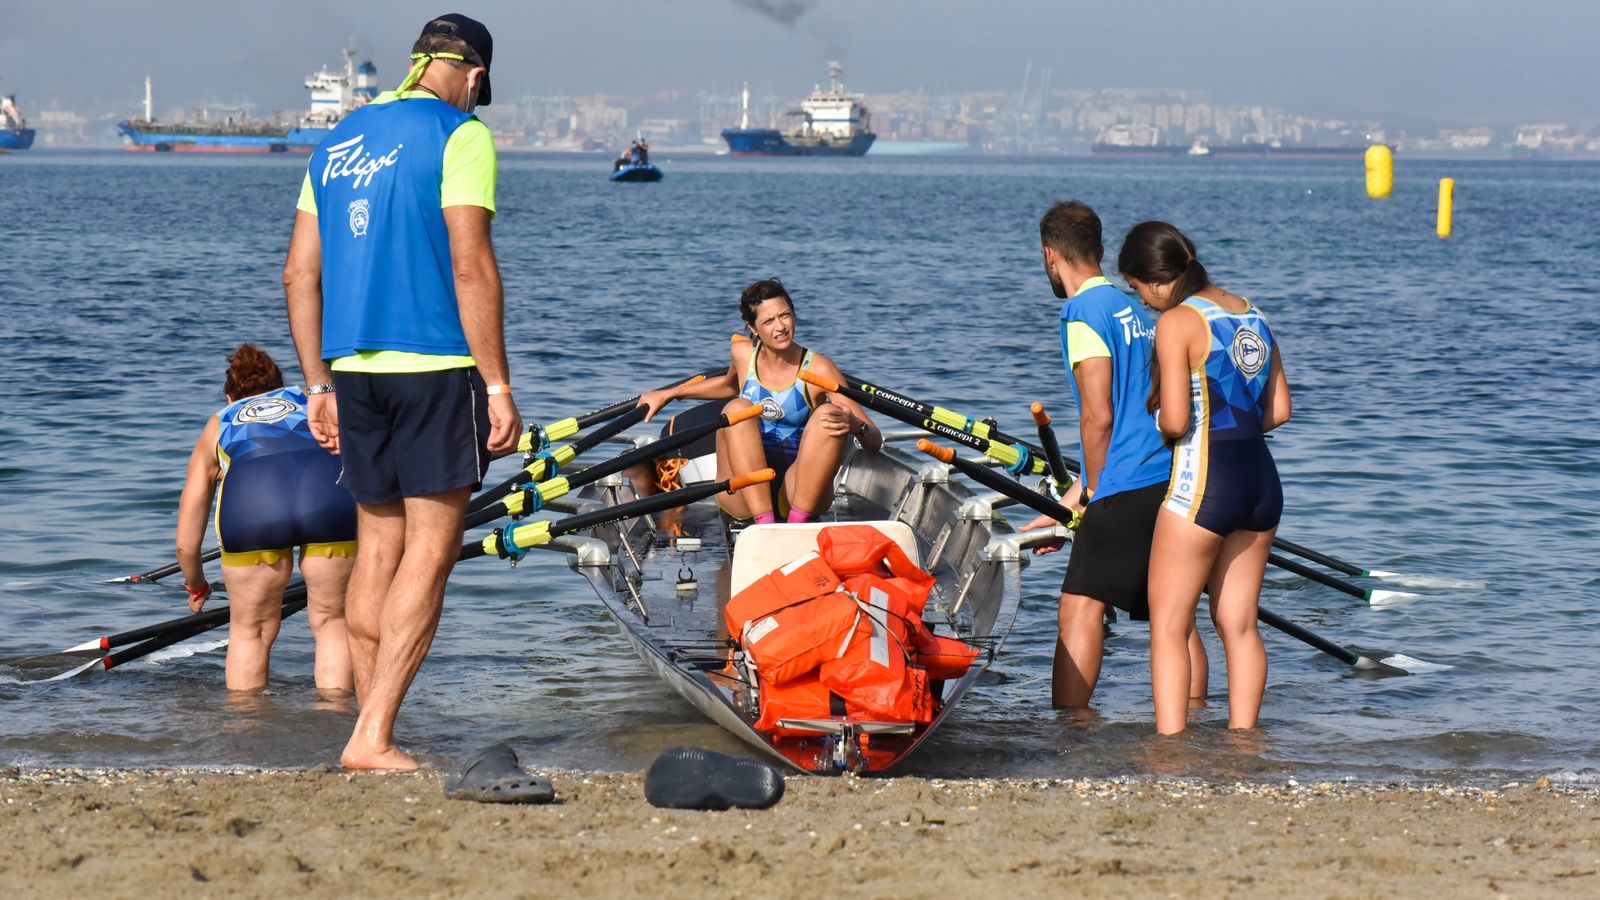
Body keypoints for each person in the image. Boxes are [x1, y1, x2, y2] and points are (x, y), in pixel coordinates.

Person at [284, 13, 522, 770]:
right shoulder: (461, 134)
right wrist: (499, 385)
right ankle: (373, 735)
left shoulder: (336, 140)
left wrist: (316, 384)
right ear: (474, 77)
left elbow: (298, 274)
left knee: (378, 547)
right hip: (434, 366)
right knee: (431, 548)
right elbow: (471, 265)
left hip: (351, 372)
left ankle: (369, 727)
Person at [1018, 201, 1207, 710]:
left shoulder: (1083, 312)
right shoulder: (1134, 309)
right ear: (1100, 251)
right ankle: (1198, 721)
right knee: (1175, 615)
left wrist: (1093, 497)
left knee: (1079, 608)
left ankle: (1069, 729)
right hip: (1170, 475)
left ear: (1050, 255)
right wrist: (1071, 497)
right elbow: (1132, 413)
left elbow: (1098, 417)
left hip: (1126, 483)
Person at [1118, 221, 1291, 735]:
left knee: (1169, 626)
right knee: (1239, 625)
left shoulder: (1178, 322)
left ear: (1155, 280)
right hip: (1261, 483)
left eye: (1137, 288)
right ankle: (1244, 743)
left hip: (1205, 485)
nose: (1143, 300)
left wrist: (1157, 419)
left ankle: (1170, 749)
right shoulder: (1253, 314)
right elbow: (1280, 410)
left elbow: (1175, 421)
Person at [175, 344, 356, 696]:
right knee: (333, 621)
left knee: (250, 631)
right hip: (329, 504)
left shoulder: (219, 422)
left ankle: (246, 722)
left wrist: (197, 585)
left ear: (230, 396)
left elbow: (186, 543)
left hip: (252, 515)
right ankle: (335, 715)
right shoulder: (314, 399)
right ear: (279, 385)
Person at [636, 278, 881, 523]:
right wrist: (670, 393)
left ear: (794, 314)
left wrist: (855, 426)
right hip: (743, 490)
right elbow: (728, 386)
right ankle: (765, 525)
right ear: (753, 328)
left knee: (827, 414)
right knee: (738, 408)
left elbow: (874, 440)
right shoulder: (743, 355)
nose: (780, 327)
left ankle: (796, 523)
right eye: (768, 321)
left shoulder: (819, 369)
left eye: (785, 315)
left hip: (796, 489)